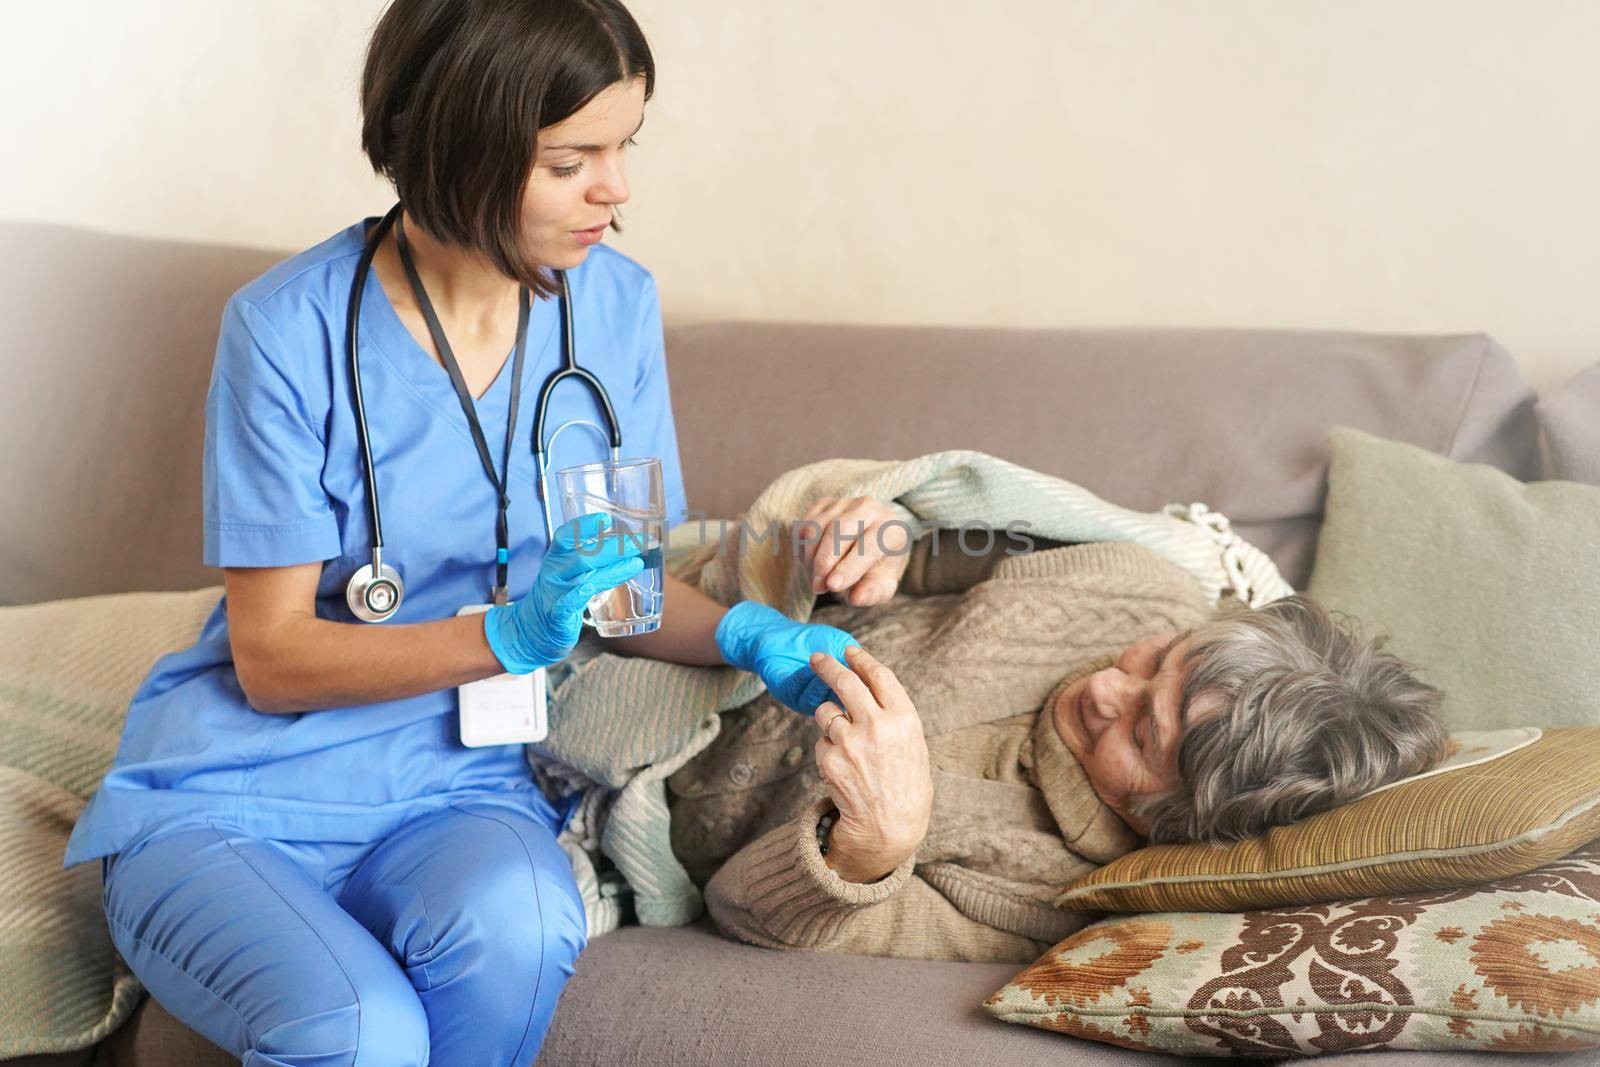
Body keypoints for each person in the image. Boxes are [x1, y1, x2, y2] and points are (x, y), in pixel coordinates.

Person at [60, 3, 865, 1064]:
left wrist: (754, 633)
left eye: (626, 146)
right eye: (572, 159)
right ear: (459, 146)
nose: (616, 188)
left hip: (454, 785)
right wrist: (507, 634)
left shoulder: (611, 309)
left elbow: (619, 595)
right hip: (236, 796)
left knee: (523, 928)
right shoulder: (288, 327)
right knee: (361, 1031)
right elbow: (271, 658)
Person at [674, 497, 1451, 963]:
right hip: (687, 617)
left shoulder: (1049, 894)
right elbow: (937, 545)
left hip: (638, 798)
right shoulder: (1136, 586)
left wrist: (871, 851)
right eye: (1159, 661)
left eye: (1144, 733)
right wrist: (885, 539)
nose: (1108, 684)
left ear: (1172, 821)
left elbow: (739, 908)